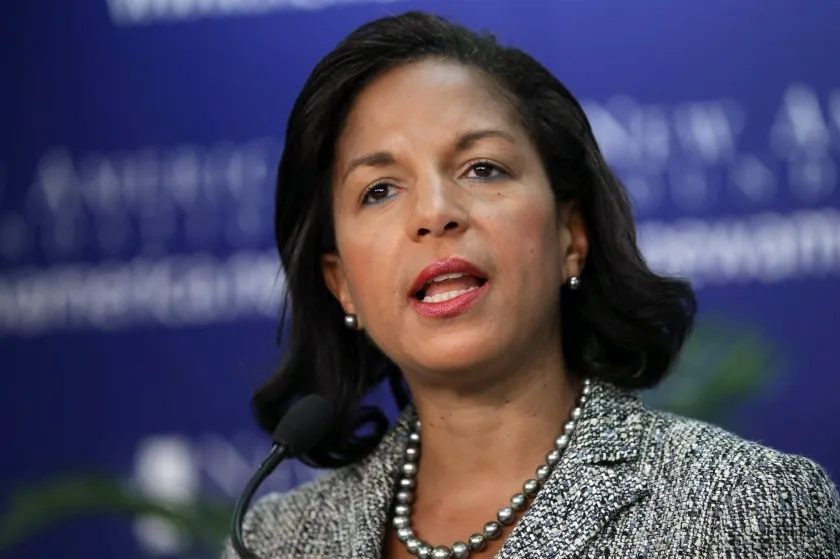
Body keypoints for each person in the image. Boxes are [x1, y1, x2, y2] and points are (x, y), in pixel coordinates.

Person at [223, 10, 840, 559]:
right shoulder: (273, 543)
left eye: (482, 168)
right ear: (342, 285)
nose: (434, 212)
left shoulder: (743, 511)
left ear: (572, 235)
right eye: (379, 189)